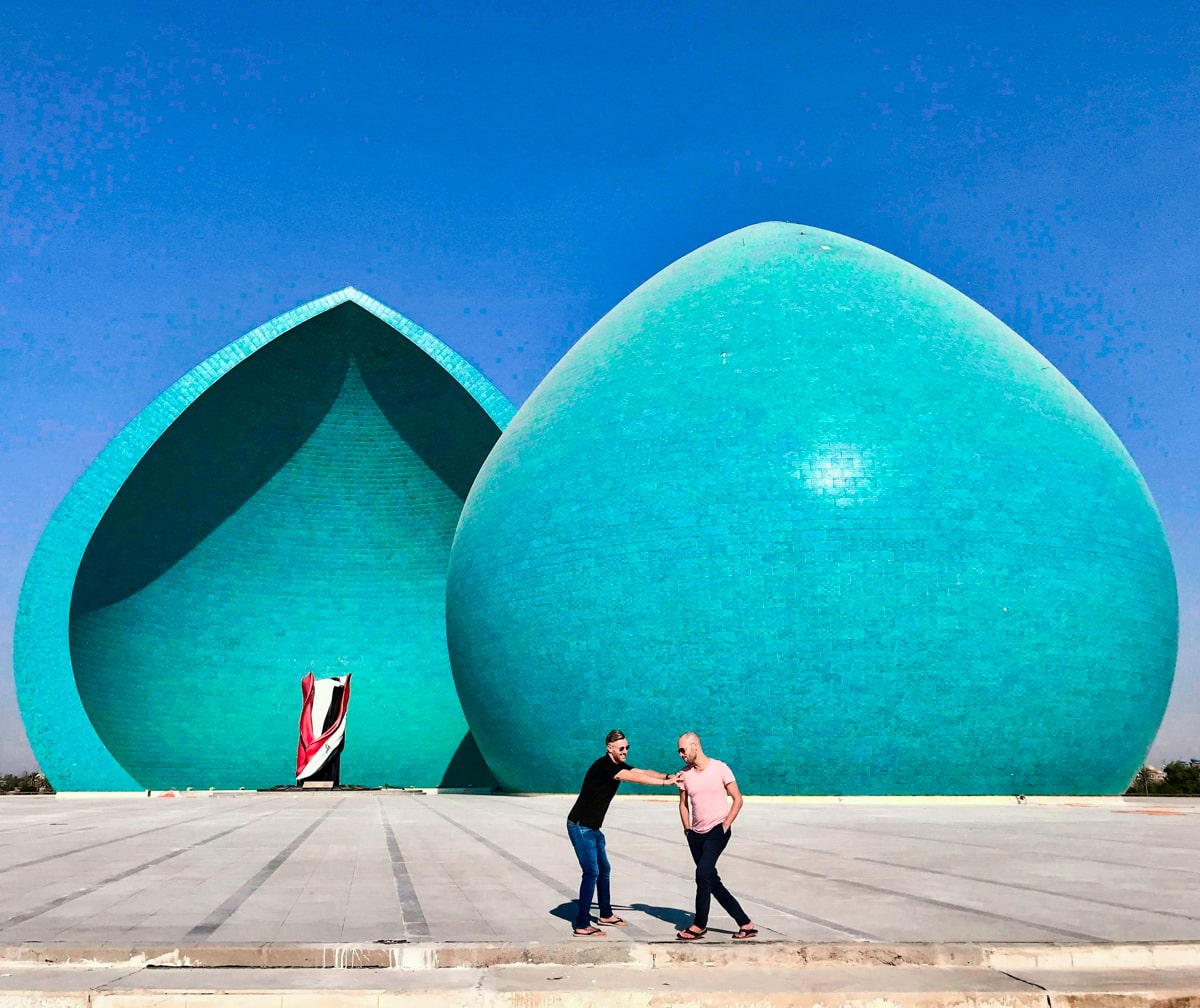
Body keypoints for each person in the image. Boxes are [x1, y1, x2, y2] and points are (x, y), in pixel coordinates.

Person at [566, 729, 680, 937]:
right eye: (621, 748)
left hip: (592, 828)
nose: (625, 751)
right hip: (581, 826)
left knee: (604, 869)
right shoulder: (604, 766)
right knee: (591, 872)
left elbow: (641, 771)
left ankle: (606, 914)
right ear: (609, 748)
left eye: (627, 747)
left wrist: (667, 775)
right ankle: (582, 924)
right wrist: (666, 784)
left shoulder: (617, 764)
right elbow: (635, 778)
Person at [675, 731, 757, 940]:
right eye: (679, 751)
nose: (681, 755)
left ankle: (699, 924)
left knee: (702, 874)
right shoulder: (684, 774)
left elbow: (737, 799)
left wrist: (726, 823)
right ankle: (745, 923)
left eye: (683, 750)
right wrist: (687, 830)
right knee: (712, 881)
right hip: (695, 834)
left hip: (717, 831)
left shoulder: (720, 768)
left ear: (695, 746)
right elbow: (683, 805)